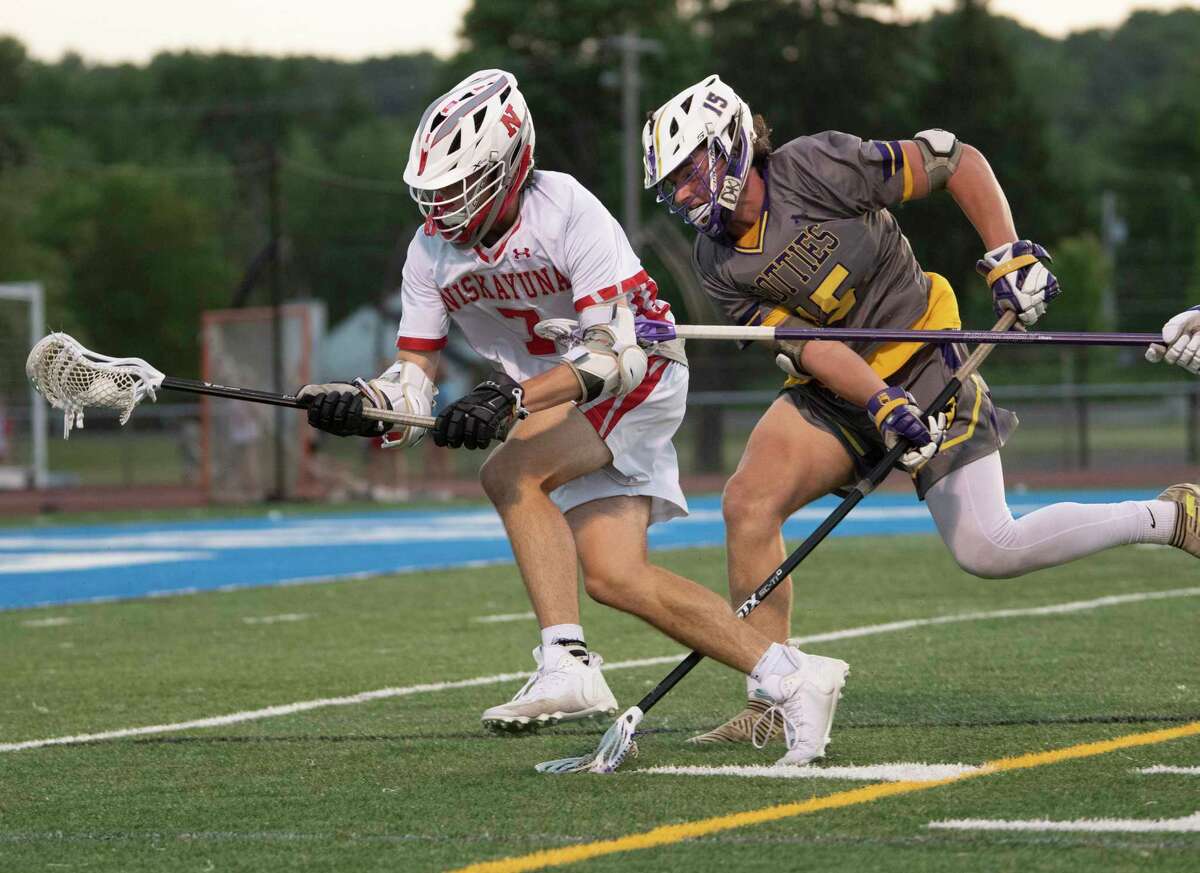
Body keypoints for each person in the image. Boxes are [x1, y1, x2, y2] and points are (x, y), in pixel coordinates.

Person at [296, 69, 851, 766]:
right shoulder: (430, 250)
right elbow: (412, 392)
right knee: (615, 576)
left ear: (508, 163)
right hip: (561, 392)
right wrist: (362, 406)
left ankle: (567, 661)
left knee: (509, 474)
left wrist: (510, 400)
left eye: (457, 188)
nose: (441, 208)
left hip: (636, 370)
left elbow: (611, 357)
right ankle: (793, 676)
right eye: (431, 192)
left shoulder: (564, 207)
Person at [642, 74, 1200, 746]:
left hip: (928, 358)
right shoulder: (715, 260)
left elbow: (955, 159)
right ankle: (776, 692)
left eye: (688, 172)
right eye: (670, 183)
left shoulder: (817, 166)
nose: (681, 193)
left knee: (990, 549)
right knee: (747, 504)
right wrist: (879, 404)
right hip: (840, 384)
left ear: (730, 144)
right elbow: (810, 344)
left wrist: (1007, 256)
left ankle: (1171, 517)